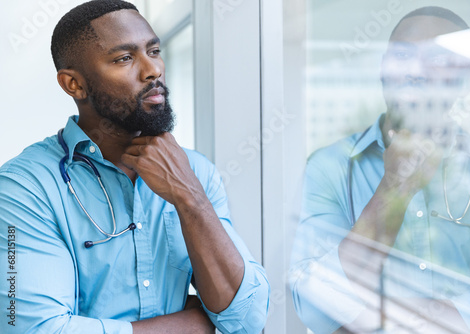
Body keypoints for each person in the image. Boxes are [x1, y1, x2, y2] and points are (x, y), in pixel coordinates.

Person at [0, 1, 269, 333]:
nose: (152, 70)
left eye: (154, 51)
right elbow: (30, 329)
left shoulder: (195, 172)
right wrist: (193, 325)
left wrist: (191, 199)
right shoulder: (22, 188)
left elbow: (248, 320)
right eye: (124, 58)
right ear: (74, 85)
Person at [289, 6, 470, 334]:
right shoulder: (329, 167)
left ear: (468, 80)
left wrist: (382, 320)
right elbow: (315, 310)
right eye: (402, 55)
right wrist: (394, 185)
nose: (415, 70)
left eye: (439, 60)